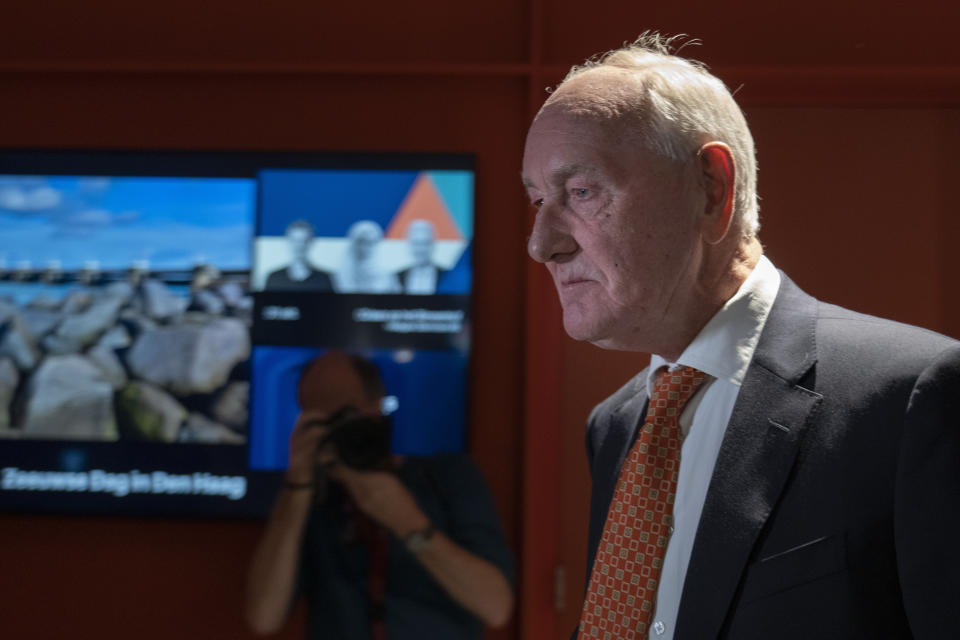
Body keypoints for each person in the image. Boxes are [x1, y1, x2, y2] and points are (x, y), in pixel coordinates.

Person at [522, 33, 960, 640]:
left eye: (581, 192)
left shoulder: (912, 396)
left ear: (711, 188)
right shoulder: (615, 425)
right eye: (539, 199)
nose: (542, 244)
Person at [245, 351, 514, 639]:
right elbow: (263, 617)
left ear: (377, 406)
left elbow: (495, 607)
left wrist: (406, 521)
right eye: (319, 418)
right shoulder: (313, 497)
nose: (336, 429)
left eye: (345, 414)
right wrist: (297, 487)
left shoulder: (447, 477)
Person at [333, 220, 401, 294]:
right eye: (361, 241)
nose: (365, 247)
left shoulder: (387, 275)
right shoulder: (339, 273)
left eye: (370, 242)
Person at [264, 220, 333, 292]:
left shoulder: (325, 279)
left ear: (311, 242)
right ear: (288, 241)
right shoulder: (274, 278)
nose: (299, 246)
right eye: (295, 240)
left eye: (304, 241)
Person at [397, 219, 447, 295]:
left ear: (433, 245)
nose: (421, 249)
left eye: (425, 243)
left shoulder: (447, 275)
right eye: (416, 243)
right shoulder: (397, 276)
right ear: (409, 245)